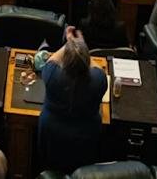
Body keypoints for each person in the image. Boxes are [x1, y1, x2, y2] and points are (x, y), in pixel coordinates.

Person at [38, 28, 106, 172]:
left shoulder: (52, 75)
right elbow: (97, 68)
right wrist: (81, 46)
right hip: (87, 136)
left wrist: (70, 44)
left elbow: (52, 59)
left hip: (52, 134)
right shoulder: (98, 80)